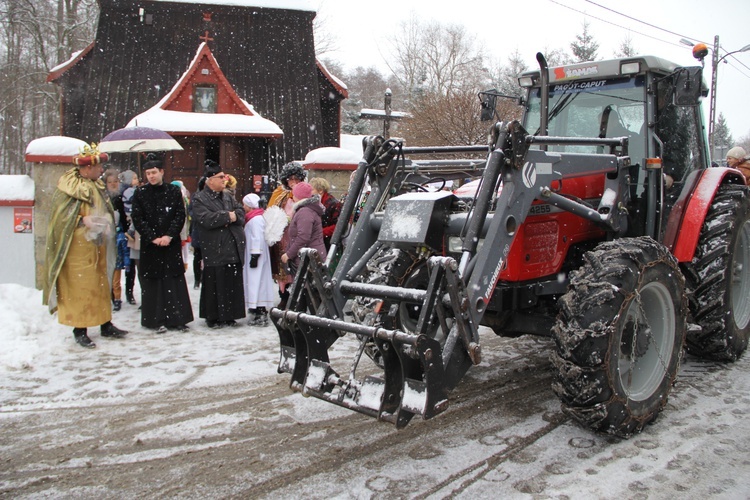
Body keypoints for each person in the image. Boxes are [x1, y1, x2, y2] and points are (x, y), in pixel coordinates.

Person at [42, 148, 128, 348]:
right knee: (80, 288)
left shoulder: (96, 184)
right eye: (98, 166)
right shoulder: (69, 187)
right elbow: (60, 218)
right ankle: (79, 329)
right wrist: (82, 220)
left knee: (101, 285)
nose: (101, 170)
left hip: (97, 245)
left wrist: (106, 220)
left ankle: (105, 323)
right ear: (87, 168)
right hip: (77, 249)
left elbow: (105, 208)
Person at [131, 157, 194, 333]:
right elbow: (138, 218)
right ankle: (154, 319)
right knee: (153, 283)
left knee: (173, 281)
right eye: (148, 173)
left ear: (161, 172)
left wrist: (169, 235)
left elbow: (179, 215)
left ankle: (177, 318)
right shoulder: (140, 193)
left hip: (170, 244)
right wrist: (152, 237)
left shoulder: (173, 191)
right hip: (151, 246)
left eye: (154, 172)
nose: (151, 176)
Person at [192, 160, 246, 328]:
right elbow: (205, 219)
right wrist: (227, 217)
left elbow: (240, 212)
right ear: (210, 180)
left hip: (233, 246)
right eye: (221, 177)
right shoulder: (200, 199)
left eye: (224, 177)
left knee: (232, 283)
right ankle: (213, 316)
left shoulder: (228, 196)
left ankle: (230, 315)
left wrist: (230, 216)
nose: (224, 180)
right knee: (215, 283)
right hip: (215, 248)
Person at [268, 161, 306, 308]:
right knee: (283, 269)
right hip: (282, 237)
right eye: (290, 179)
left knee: (297, 268)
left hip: (297, 238)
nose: (293, 182)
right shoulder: (279, 194)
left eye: (296, 179)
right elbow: (271, 211)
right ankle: (284, 296)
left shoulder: (304, 194)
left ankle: (299, 299)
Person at [242, 193, 275, 326]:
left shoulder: (256, 219)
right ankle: (256, 308)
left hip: (256, 254)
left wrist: (255, 254)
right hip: (254, 253)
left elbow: (257, 238)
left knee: (256, 282)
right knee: (256, 282)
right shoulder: (255, 217)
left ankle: (259, 310)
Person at [280, 181, 327, 275]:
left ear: (299, 197)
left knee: (306, 288)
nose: (292, 197)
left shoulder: (305, 212)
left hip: (308, 260)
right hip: (308, 258)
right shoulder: (306, 209)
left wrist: (289, 254)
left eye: (294, 194)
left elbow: (303, 237)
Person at [103, 168, 129, 312]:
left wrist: (125, 231)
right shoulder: (102, 197)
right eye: (110, 182)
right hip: (106, 237)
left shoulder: (120, 197)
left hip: (119, 236)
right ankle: (110, 295)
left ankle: (118, 296)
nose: (113, 184)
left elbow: (124, 218)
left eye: (115, 182)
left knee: (118, 268)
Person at [121, 170, 140, 305]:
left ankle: (130, 293)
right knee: (130, 265)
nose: (136, 180)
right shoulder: (128, 193)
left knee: (132, 265)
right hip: (128, 233)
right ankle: (128, 292)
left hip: (132, 232)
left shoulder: (134, 191)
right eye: (133, 178)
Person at [309, 177, 341, 249]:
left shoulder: (333, 204)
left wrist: (320, 232)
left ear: (320, 190)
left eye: (312, 190)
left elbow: (339, 226)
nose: (310, 192)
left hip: (329, 243)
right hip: (320, 241)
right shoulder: (315, 203)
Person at [189, 177, 206, 289]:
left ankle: (205, 278)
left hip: (209, 231)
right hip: (198, 230)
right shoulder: (196, 197)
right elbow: (192, 211)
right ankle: (197, 279)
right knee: (197, 256)